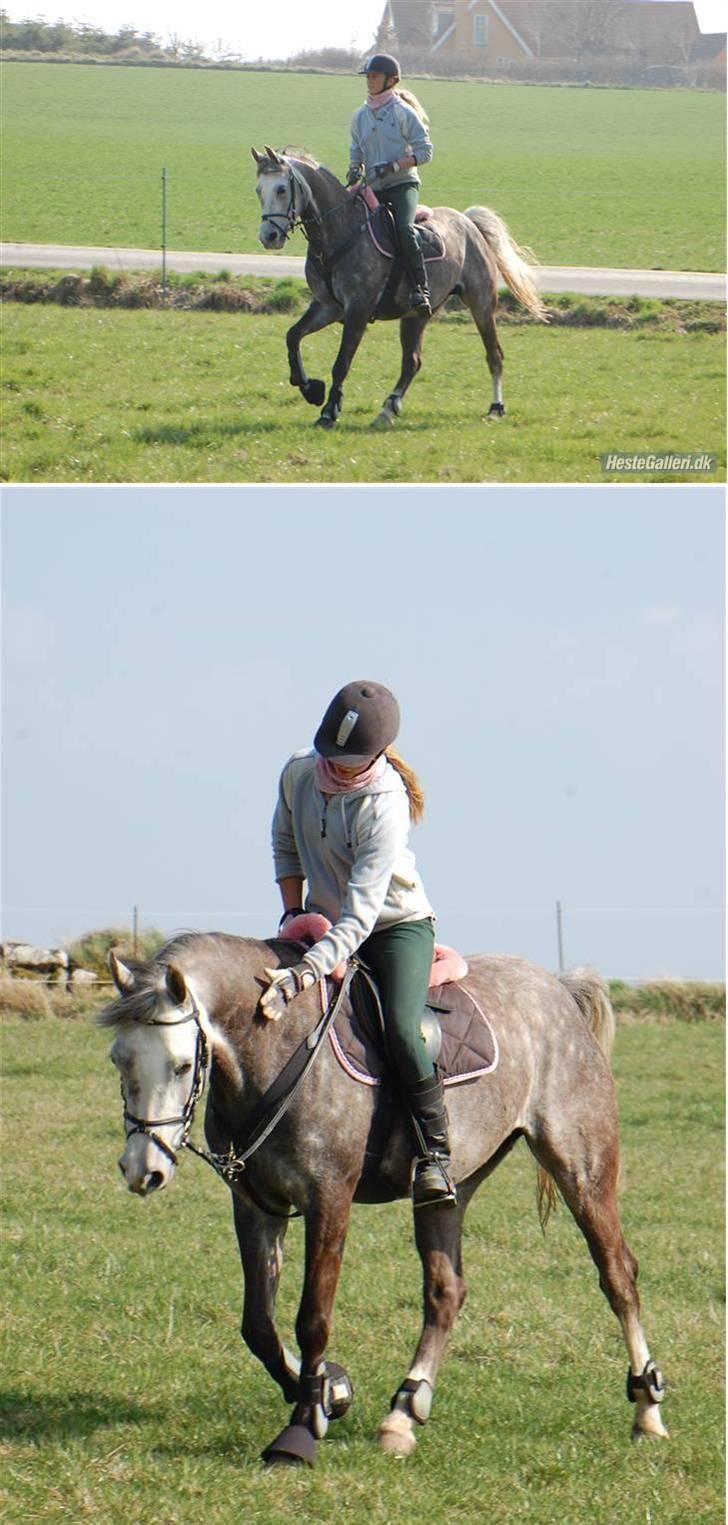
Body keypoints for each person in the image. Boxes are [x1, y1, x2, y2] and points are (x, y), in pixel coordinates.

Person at [262, 679, 456, 1207]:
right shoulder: (299, 770)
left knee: (398, 1025)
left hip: (393, 926)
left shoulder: (386, 802)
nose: (336, 767)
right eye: (332, 754)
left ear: (376, 753)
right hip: (323, 921)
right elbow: (284, 843)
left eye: (349, 760)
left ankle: (435, 1153)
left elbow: (362, 915)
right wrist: (292, 913)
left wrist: (307, 970)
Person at [346, 53, 434, 317]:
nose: (370, 81)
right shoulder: (359, 115)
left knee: (403, 229)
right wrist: (354, 168)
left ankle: (421, 288)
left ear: (391, 81)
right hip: (373, 187)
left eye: (375, 76)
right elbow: (356, 148)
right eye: (369, 77)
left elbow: (426, 152)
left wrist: (394, 165)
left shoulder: (403, 113)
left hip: (402, 185)